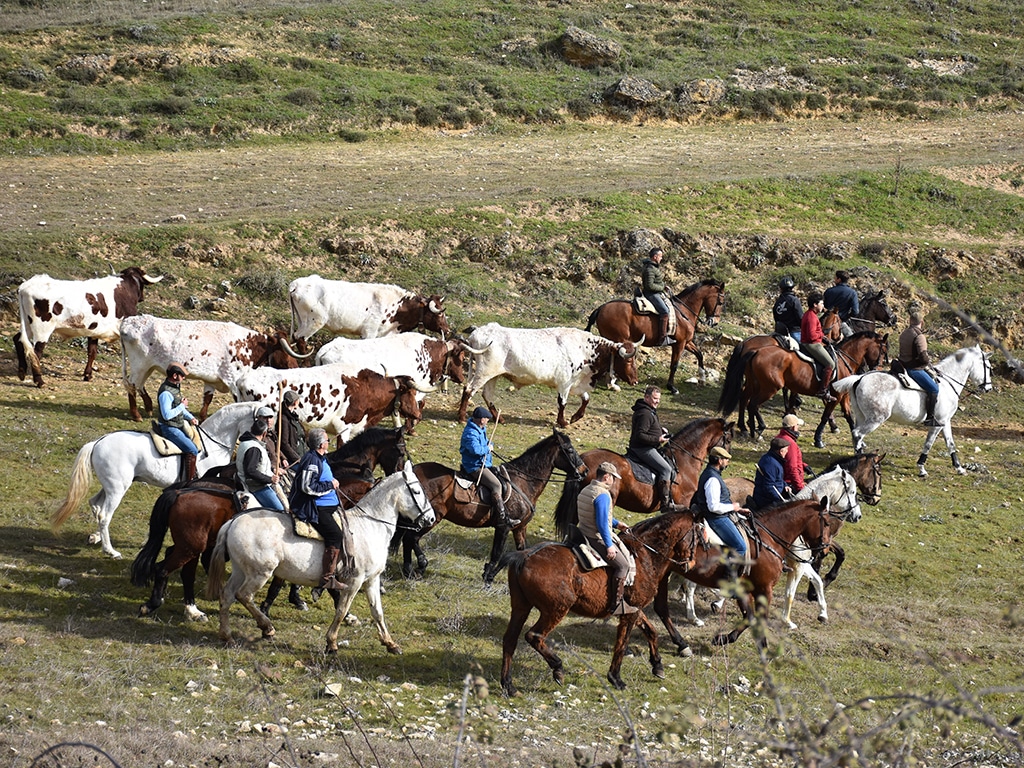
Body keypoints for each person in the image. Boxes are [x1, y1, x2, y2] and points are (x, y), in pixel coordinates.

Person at [289, 428, 348, 602]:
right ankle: (327, 578)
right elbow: (307, 487)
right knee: (335, 534)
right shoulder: (313, 461)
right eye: (327, 441)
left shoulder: (319, 458)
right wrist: (330, 485)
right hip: (314, 508)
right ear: (321, 444)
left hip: (326, 506)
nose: (329, 443)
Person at [576, 461, 636, 615]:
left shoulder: (587, 489)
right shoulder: (603, 495)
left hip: (583, 531)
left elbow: (596, 514)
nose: (614, 481)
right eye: (613, 478)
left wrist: (617, 523)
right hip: (595, 537)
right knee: (623, 565)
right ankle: (617, 604)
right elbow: (602, 524)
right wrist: (609, 546)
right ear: (607, 477)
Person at [691, 446, 750, 587]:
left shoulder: (712, 474)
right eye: (725, 460)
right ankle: (729, 579)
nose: (727, 463)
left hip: (722, 514)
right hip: (716, 518)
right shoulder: (712, 479)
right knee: (740, 546)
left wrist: (738, 510)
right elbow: (714, 507)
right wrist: (733, 507)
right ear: (719, 460)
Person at [460, 406, 520, 527]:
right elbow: (475, 450)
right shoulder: (471, 433)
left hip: (485, 463)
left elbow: (486, 442)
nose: (488, 420)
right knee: (496, 485)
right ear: (481, 419)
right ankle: (502, 516)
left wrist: (489, 444)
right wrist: (488, 449)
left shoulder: (481, 429)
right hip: (474, 466)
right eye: (487, 418)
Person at [628, 385, 682, 513]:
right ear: (646, 397)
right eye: (654, 398)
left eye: (658, 399)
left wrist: (660, 429)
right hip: (643, 449)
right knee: (666, 469)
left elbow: (649, 427)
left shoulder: (649, 410)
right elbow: (640, 434)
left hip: (648, 446)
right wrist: (658, 440)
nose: (657, 401)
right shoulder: (645, 413)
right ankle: (665, 503)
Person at [155, 362, 200, 482]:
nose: (184, 378)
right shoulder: (166, 393)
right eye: (182, 375)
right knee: (193, 449)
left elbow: (179, 409)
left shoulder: (174, 388)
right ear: (175, 376)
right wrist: (182, 406)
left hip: (178, 425)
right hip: (169, 428)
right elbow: (167, 415)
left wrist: (190, 417)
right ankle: (189, 481)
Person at [898, 309, 940, 427]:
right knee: (934, 389)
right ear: (922, 322)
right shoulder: (919, 336)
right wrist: (928, 361)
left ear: (910, 321)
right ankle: (930, 418)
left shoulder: (904, 333)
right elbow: (923, 357)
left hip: (902, 365)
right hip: (914, 370)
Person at [236, 418, 284, 511]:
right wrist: (270, 479)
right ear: (264, 433)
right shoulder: (254, 448)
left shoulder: (245, 442)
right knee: (280, 510)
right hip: (256, 486)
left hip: (255, 482)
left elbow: (259, 464)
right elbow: (251, 470)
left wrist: (272, 471)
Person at [801, 291, 836, 404]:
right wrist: (821, 336)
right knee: (831, 364)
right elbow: (811, 335)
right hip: (812, 344)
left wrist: (822, 335)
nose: (823, 306)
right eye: (821, 303)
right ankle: (823, 390)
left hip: (812, 342)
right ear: (815, 305)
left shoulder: (810, 314)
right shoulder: (811, 316)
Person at [641, 246, 675, 346]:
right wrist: (662, 288)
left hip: (656, 292)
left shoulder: (654, 267)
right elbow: (649, 285)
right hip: (651, 294)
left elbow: (656, 281)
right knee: (665, 311)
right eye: (660, 256)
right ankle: (662, 337)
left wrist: (664, 286)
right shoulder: (649, 269)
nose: (661, 258)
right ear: (655, 257)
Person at [775, 414, 812, 494]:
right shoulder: (790, 443)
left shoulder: (779, 437)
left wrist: (803, 465)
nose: (798, 428)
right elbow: (792, 468)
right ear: (793, 427)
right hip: (790, 483)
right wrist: (800, 488)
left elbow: (786, 460)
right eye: (797, 425)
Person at [752, 437, 791, 509]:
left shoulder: (774, 460)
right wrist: (779, 500)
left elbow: (777, 478)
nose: (787, 451)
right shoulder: (771, 464)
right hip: (767, 501)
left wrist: (785, 485)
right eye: (786, 449)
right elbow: (768, 486)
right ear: (781, 451)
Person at [824, 270, 860, 338]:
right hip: (840, 322)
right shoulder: (852, 293)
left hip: (826, 321)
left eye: (835, 278)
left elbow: (824, 306)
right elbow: (855, 311)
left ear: (839, 279)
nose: (834, 279)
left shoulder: (829, 291)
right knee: (851, 339)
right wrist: (847, 316)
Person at [279, 390, 307, 468]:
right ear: (295, 402)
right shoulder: (283, 419)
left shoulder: (293, 416)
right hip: (294, 460)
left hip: (302, 456)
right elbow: (284, 443)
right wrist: (297, 458)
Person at [773, 276, 803, 341]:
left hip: (781, 333)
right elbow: (800, 318)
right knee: (807, 348)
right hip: (795, 332)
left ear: (781, 289)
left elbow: (776, 318)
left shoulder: (777, 302)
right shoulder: (795, 300)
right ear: (792, 288)